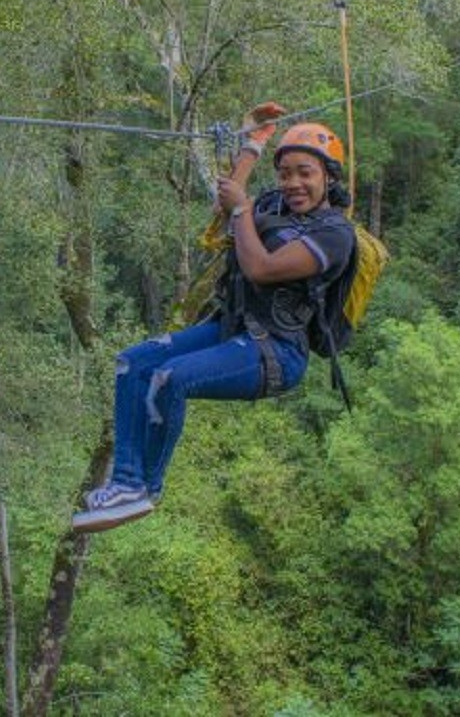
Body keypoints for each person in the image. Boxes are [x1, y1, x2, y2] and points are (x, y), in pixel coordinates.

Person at [71, 104, 358, 533]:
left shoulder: (334, 234)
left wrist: (242, 210)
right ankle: (125, 483)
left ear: (328, 177)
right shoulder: (273, 206)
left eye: (306, 173)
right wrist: (253, 143)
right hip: (233, 329)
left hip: (276, 352)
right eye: (286, 174)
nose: (294, 183)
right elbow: (229, 201)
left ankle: (146, 488)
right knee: (134, 362)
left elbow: (261, 267)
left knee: (171, 378)